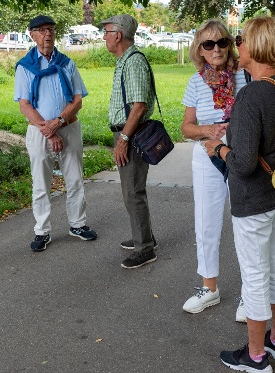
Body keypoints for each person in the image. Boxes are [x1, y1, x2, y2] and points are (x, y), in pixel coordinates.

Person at [206, 16, 275, 373]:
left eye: (241, 38)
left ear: (257, 46)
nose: (237, 44)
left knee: (255, 274)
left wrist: (218, 148)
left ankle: (256, 356)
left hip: (255, 201)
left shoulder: (251, 95)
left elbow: (244, 164)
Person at [179, 19, 247, 323]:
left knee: (245, 225)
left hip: (240, 157)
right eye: (209, 44)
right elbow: (185, 128)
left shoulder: (245, 75)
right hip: (206, 156)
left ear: (229, 44)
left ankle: (250, 294)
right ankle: (209, 288)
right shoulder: (196, 82)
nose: (216, 48)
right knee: (205, 223)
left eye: (221, 42)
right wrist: (207, 130)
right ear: (200, 50)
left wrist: (232, 130)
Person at [14, 15, 97, 252]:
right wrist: (49, 131)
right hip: (39, 132)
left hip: (69, 128)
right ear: (32, 35)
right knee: (41, 183)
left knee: (75, 179)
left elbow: (78, 99)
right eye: (41, 30)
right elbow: (25, 105)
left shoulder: (67, 63)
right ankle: (42, 231)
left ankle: (78, 225)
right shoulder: (25, 66)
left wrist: (58, 123)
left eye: (50, 29)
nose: (47, 34)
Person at [102, 14, 157, 269]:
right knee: (132, 190)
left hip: (131, 133)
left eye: (107, 31)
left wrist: (123, 138)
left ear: (118, 35)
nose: (104, 36)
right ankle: (144, 237)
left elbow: (138, 106)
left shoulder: (133, 62)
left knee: (133, 191)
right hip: (128, 132)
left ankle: (144, 248)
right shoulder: (126, 60)